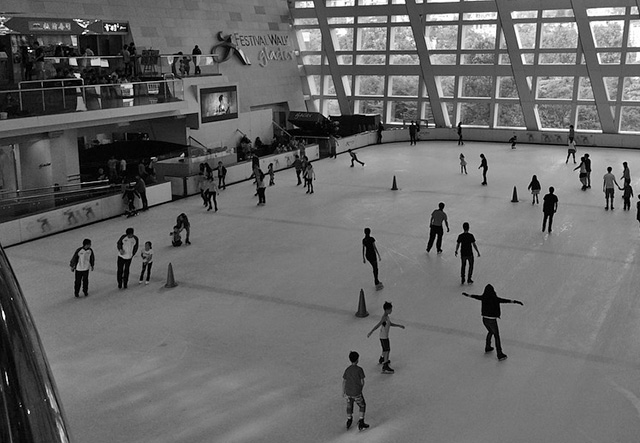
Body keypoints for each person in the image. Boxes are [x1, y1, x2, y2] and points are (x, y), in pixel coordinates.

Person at [462, 284, 523, 361]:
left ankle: (488, 346)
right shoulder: (495, 299)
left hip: (484, 319)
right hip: (492, 320)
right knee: (496, 335)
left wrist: (467, 295)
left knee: (490, 331)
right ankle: (499, 353)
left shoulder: (483, 297)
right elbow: (505, 300)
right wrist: (515, 301)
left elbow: (476, 297)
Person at [367, 301, 405, 374]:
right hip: (384, 337)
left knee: (385, 349)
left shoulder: (387, 317)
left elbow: (390, 324)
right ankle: (385, 365)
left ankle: (382, 358)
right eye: (390, 309)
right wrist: (371, 331)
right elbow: (378, 325)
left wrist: (399, 325)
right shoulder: (384, 317)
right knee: (387, 350)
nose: (391, 311)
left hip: (383, 336)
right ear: (386, 310)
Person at [342, 351, 369, 431]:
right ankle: (361, 421)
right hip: (356, 392)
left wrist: (343, 391)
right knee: (362, 405)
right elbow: (362, 381)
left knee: (349, 405)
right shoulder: (359, 369)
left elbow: (344, 381)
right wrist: (360, 389)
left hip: (348, 392)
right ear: (357, 359)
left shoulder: (347, 369)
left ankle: (349, 419)